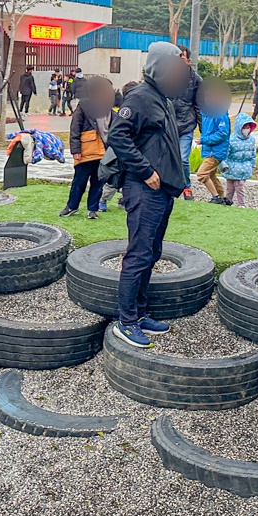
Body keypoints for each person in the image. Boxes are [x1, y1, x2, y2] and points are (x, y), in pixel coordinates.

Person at [106, 42, 190, 348]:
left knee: (152, 253)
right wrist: (146, 171)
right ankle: (126, 322)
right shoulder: (140, 96)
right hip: (144, 190)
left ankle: (140, 314)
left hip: (162, 191)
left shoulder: (163, 98)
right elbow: (117, 135)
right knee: (139, 255)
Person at [61, 76, 116, 220]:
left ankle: (93, 209)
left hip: (104, 151)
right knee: (79, 180)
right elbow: (75, 128)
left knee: (98, 182)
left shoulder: (110, 108)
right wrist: (76, 149)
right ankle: (72, 206)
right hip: (87, 149)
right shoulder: (84, 105)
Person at [173, 46, 202, 200]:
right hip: (168, 124)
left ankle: (187, 186)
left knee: (183, 159)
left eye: (182, 59)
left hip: (186, 124)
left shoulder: (196, 80)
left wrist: (203, 130)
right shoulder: (167, 76)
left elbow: (199, 105)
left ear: (188, 61)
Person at [196, 78, 231, 205]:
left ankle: (215, 196)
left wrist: (204, 140)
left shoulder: (219, 113)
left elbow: (223, 133)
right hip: (210, 149)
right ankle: (222, 197)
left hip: (215, 151)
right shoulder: (206, 113)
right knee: (211, 175)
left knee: (202, 174)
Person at [221, 113, 258, 207]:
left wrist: (252, 165)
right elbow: (225, 154)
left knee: (240, 186)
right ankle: (228, 202)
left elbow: (253, 154)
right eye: (244, 127)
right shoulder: (231, 139)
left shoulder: (251, 140)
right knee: (229, 188)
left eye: (248, 127)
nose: (247, 129)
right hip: (231, 167)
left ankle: (241, 204)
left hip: (244, 168)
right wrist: (223, 165)